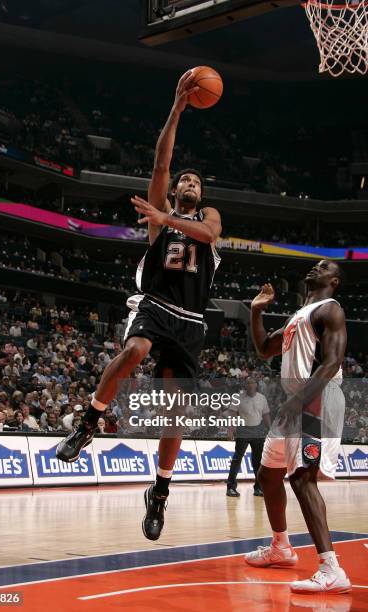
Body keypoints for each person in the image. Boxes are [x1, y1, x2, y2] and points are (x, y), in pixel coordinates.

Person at [56, 70, 222, 541]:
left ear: (200, 195)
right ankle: (89, 423)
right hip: (155, 304)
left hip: (191, 322)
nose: (187, 182)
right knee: (135, 351)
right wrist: (176, 107)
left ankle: (160, 493)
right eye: (183, 180)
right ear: (175, 190)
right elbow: (159, 166)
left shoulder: (206, 218)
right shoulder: (159, 218)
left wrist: (167, 215)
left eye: (194, 181)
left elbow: (208, 234)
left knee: (177, 416)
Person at [244, 259, 351, 594]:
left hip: (315, 397)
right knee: (268, 473)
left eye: (323, 268)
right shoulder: (298, 317)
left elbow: (332, 362)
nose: (315, 269)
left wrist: (297, 401)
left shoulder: (330, 310)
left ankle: (332, 568)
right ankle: (281, 547)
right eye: (315, 266)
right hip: (297, 399)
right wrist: (256, 312)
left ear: (333, 281)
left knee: (303, 479)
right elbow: (263, 350)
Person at [226, 378, 271, 497]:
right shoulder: (237, 398)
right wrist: (230, 429)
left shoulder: (262, 398)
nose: (250, 385)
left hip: (258, 431)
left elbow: (266, 415)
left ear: (256, 385)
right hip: (242, 431)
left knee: (258, 461)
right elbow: (232, 414)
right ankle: (231, 487)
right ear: (245, 386)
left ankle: (258, 488)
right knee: (237, 459)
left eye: (253, 383)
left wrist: (271, 430)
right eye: (248, 383)